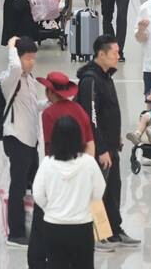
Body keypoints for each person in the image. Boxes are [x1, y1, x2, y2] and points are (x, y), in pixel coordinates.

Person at [76, 35, 140, 250]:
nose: (118, 56)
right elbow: (89, 118)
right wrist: (101, 148)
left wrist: (116, 137)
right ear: (101, 54)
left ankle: (115, 230)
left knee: (113, 189)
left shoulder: (106, 76)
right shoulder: (90, 80)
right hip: (97, 149)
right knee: (98, 192)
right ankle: (98, 233)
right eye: (115, 52)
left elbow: (108, 111)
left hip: (110, 147)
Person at [31, 115, 106, 268]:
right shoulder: (88, 163)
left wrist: (50, 209)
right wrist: (86, 205)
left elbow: (38, 194)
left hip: (53, 226)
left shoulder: (47, 164)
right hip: (82, 227)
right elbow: (99, 191)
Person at [0, 36, 43, 247]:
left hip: (31, 140)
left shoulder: (29, 79)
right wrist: (11, 47)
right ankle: (15, 233)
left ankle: (32, 226)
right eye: (27, 58)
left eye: (34, 58)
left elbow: (33, 107)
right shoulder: (10, 77)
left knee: (33, 186)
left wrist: (51, 102)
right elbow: (15, 66)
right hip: (16, 138)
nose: (31, 62)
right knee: (17, 186)